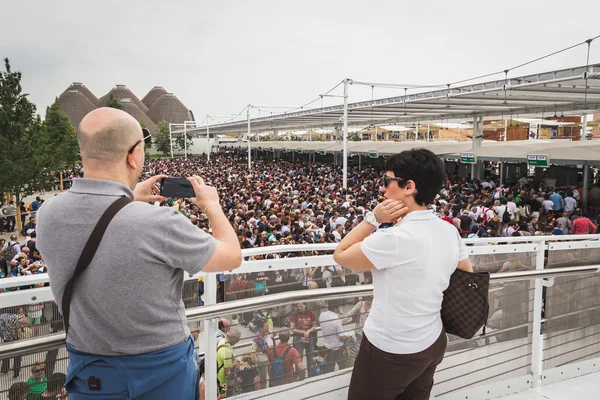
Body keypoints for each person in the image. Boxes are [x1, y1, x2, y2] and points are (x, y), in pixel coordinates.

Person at [36, 107, 242, 399]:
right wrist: (212, 205)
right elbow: (231, 255)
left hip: (89, 373)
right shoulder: (157, 222)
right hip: (161, 373)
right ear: (133, 156)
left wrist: (127, 197)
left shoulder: (48, 214)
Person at [333, 148, 473, 400]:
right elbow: (466, 274)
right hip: (432, 340)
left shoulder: (393, 238)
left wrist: (372, 219)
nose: (383, 189)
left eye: (388, 181)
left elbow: (341, 254)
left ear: (409, 186)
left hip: (389, 349)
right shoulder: (448, 230)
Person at [318, 301, 353, 373]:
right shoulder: (336, 320)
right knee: (343, 367)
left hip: (327, 346)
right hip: (338, 348)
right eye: (339, 307)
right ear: (335, 308)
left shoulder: (322, 315)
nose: (339, 309)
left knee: (330, 368)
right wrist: (348, 336)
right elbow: (341, 337)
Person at [289, 302, 318, 369]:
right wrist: (303, 332)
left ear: (305, 305)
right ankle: (299, 374)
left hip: (309, 337)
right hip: (298, 338)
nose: (300, 308)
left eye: (301, 306)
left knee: (310, 357)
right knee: (298, 358)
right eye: (298, 307)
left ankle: (311, 372)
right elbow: (292, 328)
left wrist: (308, 331)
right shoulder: (294, 315)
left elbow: (314, 325)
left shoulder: (311, 313)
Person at [0, 313, 27, 378]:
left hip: (6, 338)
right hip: (15, 338)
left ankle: (5, 369)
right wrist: (23, 315)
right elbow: (25, 321)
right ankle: (16, 372)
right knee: (17, 355)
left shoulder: (1, 316)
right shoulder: (15, 316)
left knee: (6, 354)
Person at [251, 319, 274, 389]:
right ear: (261, 328)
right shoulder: (257, 338)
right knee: (263, 381)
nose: (268, 327)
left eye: (268, 325)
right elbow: (253, 351)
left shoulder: (269, 334)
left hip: (271, 359)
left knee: (271, 377)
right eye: (266, 326)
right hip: (262, 362)